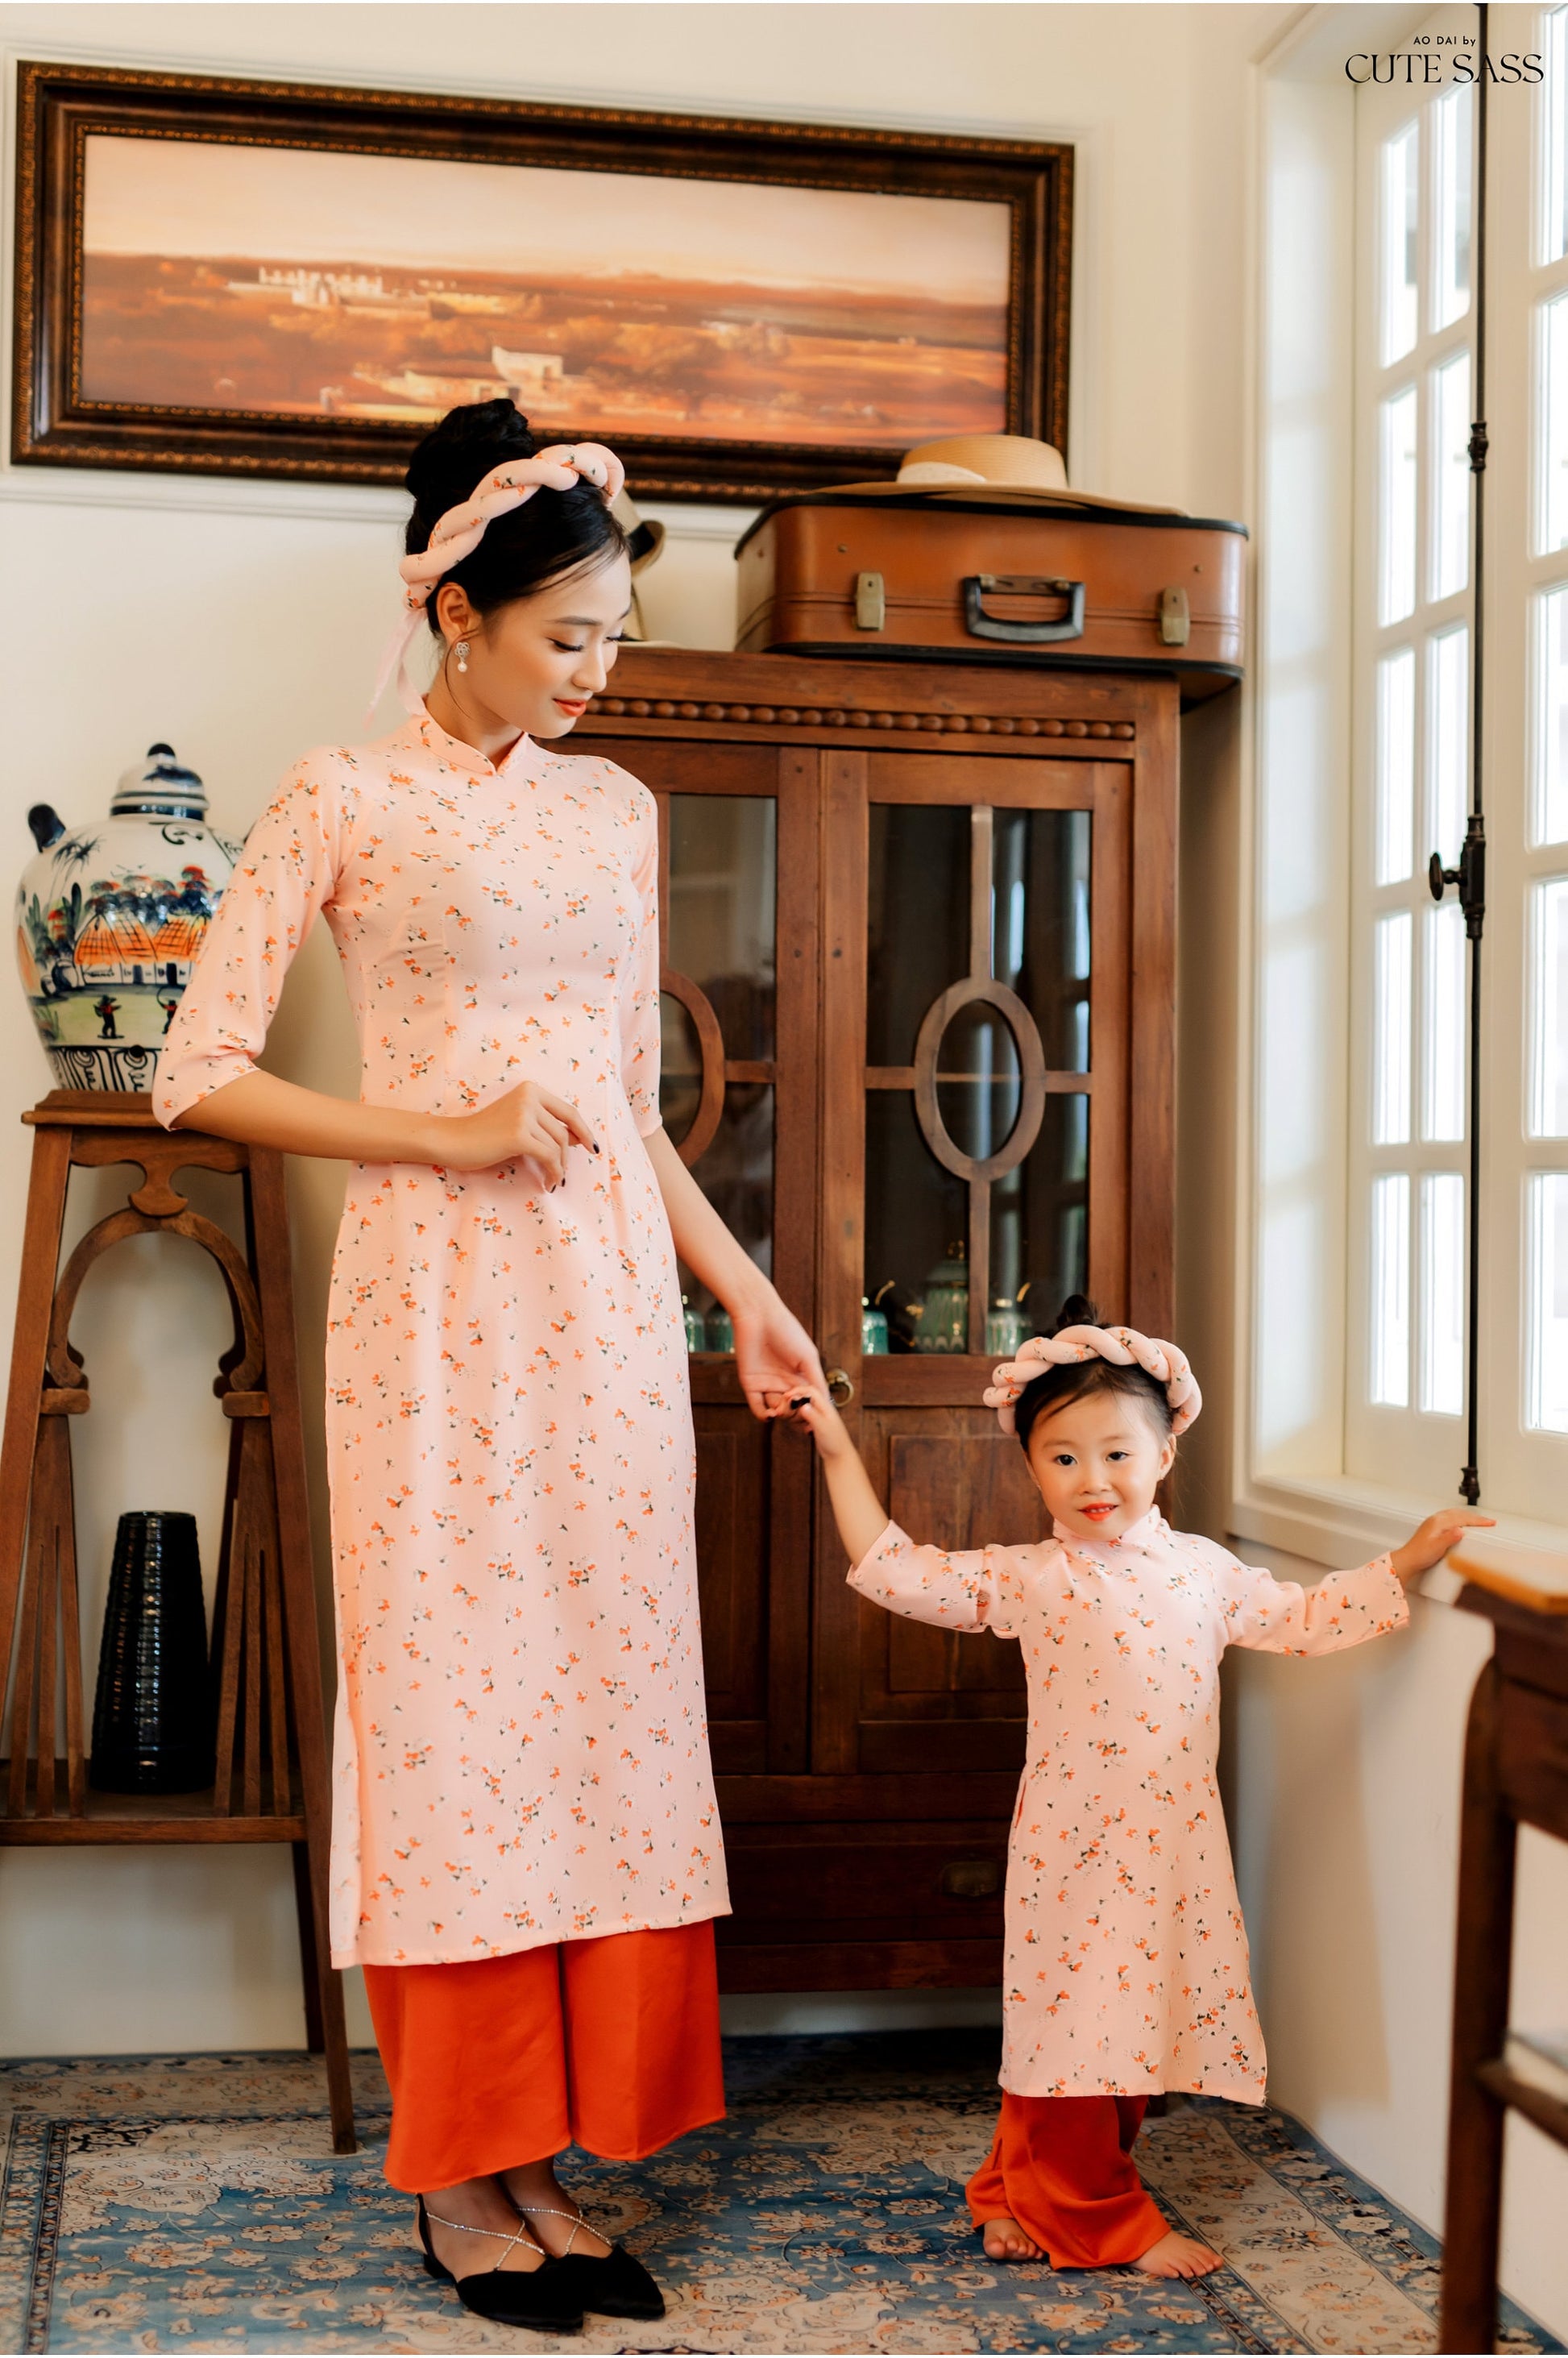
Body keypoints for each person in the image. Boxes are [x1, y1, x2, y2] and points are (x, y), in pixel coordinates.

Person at [153, 399, 823, 2333]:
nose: (602, 673)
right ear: (457, 612)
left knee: (601, 1709)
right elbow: (201, 1069)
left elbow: (626, 1100)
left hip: (608, 1311)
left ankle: (555, 2160)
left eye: (614, 639)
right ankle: (461, 2176)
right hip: (433, 1311)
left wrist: (746, 1294)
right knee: (459, 1716)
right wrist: (442, 1135)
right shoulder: (339, 799)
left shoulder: (614, 812)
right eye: (570, 640)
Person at [786, 1293, 1489, 2279]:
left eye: (1116, 1452)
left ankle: (1012, 2189)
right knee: (1072, 2027)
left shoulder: (1204, 1573)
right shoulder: (1032, 1576)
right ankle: (1097, 2215)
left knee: (1126, 2028)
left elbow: (1304, 1616)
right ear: (1029, 1464)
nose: (1091, 1480)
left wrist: (1407, 1560)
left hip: (1171, 1843)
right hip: (1072, 1847)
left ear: (1164, 1453)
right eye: (1061, 1457)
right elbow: (893, 1568)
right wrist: (833, 1450)